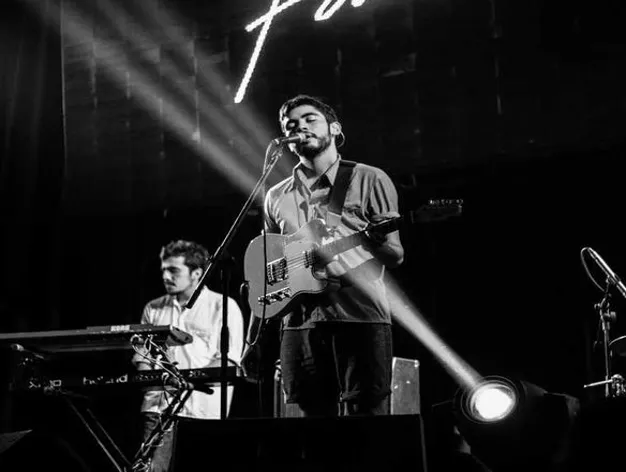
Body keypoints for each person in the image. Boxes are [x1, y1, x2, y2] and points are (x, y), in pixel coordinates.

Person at [242, 94, 404, 418]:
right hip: (298, 324)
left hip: (359, 316)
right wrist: (253, 341)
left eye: (310, 119)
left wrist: (369, 241)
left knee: (367, 423)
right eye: (291, 125)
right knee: (312, 429)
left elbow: (395, 254)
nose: (300, 127)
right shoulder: (276, 196)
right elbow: (266, 274)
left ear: (334, 127)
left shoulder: (369, 178)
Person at [132, 239, 244, 472]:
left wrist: (187, 381)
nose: (165, 276)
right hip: (158, 409)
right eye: (163, 270)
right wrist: (152, 380)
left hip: (204, 412)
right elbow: (142, 358)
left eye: (173, 270)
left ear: (196, 274)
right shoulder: (153, 308)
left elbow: (227, 360)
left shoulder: (223, 306)